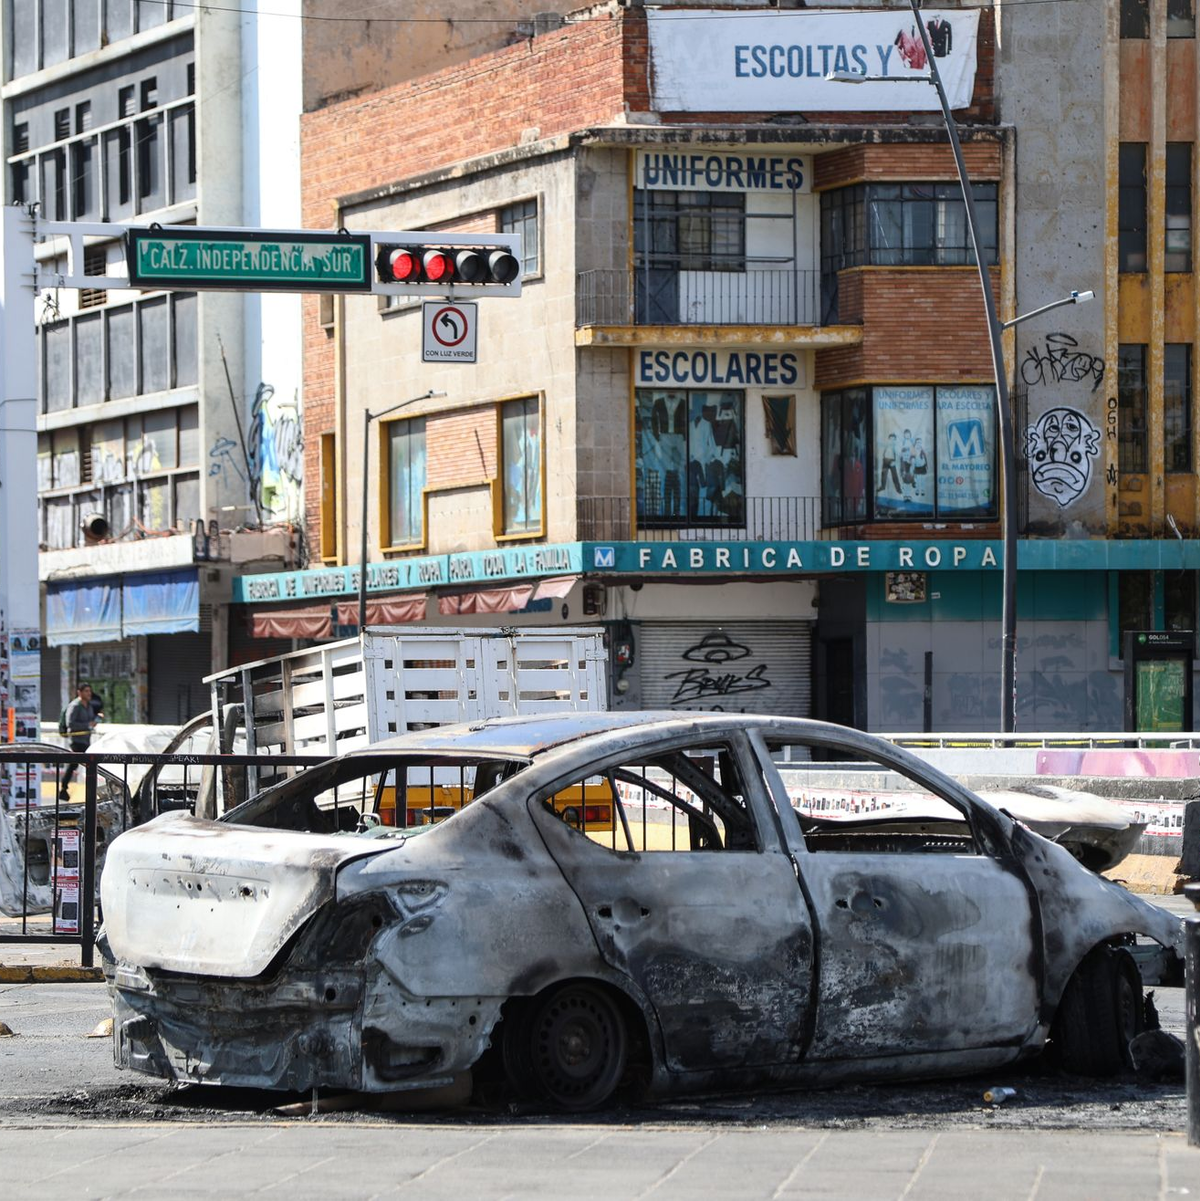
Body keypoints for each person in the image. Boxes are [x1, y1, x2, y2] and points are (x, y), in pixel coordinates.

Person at [59, 683, 101, 801]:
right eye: (86, 691)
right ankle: (65, 788)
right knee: (84, 764)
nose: (89, 693)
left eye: (90, 691)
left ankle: (64, 788)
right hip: (76, 741)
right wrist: (87, 725)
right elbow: (70, 724)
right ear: (80, 692)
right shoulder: (75, 706)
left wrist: (94, 722)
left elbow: (90, 722)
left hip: (85, 740)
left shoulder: (89, 706)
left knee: (75, 764)